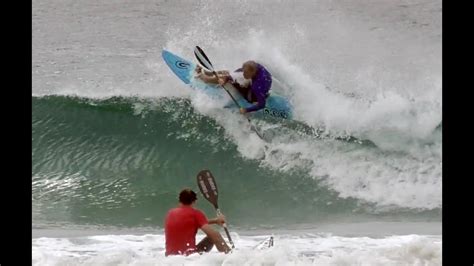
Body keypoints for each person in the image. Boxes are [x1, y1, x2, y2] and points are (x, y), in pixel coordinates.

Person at [164, 188, 231, 256]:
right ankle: (229, 257)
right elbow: (214, 235)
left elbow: (189, 224)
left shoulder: (170, 213)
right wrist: (230, 255)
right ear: (194, 201)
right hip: (188, 258)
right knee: (213, 236)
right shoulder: (195, 214)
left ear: (179, 200)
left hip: (170, 258)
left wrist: (215, 221)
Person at [195, 60, 272, 114]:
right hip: (256, 85)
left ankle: (204, 78)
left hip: (251, 96)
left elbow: (262, 105)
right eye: (244, 71)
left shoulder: (258, 86)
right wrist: (230, 76)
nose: (244, 74)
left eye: (246, 73)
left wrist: (246, 110)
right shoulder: (256, 67)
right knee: (229, 73)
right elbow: (239, 71)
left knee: (228, 78)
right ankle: (208, 73)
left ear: (253, 72)